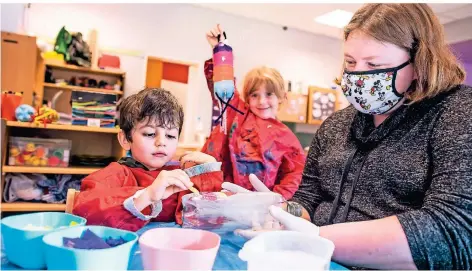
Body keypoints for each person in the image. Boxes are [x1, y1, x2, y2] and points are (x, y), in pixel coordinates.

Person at [226, 4, 472, 270]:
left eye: (374, 65)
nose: (357, 76)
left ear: (419, 63)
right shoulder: (336, 125)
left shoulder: (456, 114)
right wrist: (280, 211)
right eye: (351, 62)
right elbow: (308, 201)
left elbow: (452, 231)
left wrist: (316, 238)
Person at [73, 88, 222, 231]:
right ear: (125, 139)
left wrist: (208, 171)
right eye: (150, 134)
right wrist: (147, 195)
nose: (161, 142)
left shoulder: (180, 175)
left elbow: (211, 217)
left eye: (170, 136)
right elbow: (84, 212)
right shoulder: (114, 175)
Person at [199, 24, 306, 201]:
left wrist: (275, 199)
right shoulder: (237, 114)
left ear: (281, 97)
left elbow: (295, 174)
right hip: (220, 197)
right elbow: (224, 88)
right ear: (248, 98)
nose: (262, 101)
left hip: (258, 207)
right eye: (255, 95)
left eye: (269, 94)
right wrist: (220, 50)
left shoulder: (287, 139)